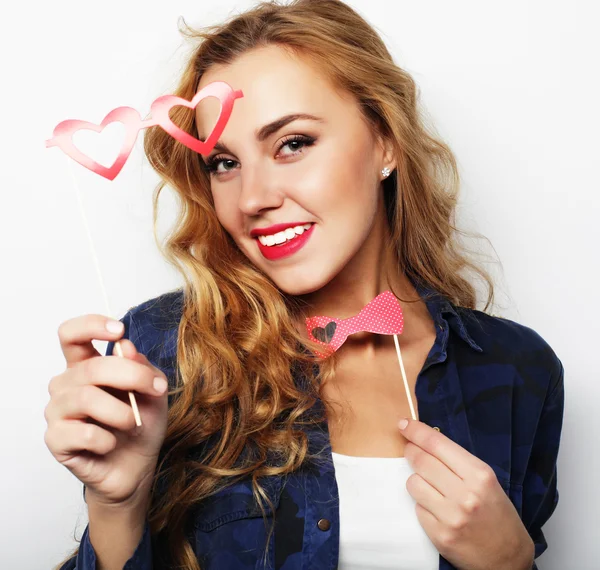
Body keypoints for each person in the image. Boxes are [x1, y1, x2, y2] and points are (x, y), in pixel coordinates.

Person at [45, 1, 564, 569]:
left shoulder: (519, 370)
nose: (252, 199)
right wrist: (115, 503)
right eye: (224, 162)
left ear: (385, 141)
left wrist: (511, 561)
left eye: (292, 143)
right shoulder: (164, 353)